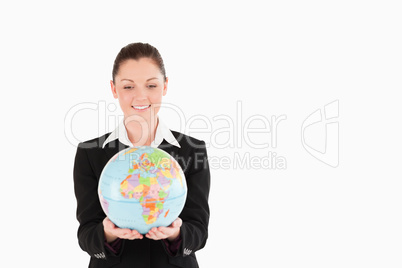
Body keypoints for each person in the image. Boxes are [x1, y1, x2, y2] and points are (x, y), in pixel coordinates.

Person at [73, 42, 211, 268]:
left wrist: (176, 235)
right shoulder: (90, 153)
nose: (140, 97)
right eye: (128, 87)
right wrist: (108, 234)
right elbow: (87, 234)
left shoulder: (192, 149)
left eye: (151, 85)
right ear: (113, 88)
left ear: (165, 86)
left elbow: (199, 231)